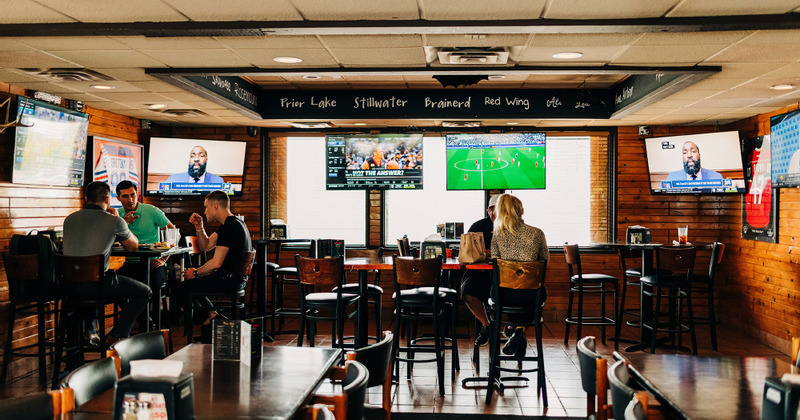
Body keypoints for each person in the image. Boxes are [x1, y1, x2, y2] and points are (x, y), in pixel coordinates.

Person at [62, 181, 152, 346]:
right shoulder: (114, 221)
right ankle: (116, 335)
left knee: (91, 281)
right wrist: (121, 222)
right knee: (144, 292)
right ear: (107, 199)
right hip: (97, 285)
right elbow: (133, 247)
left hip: (68, 285)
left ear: (86, 198)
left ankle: (89, 332)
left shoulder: (69, 219)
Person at [172, 190, 252, 343]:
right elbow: (206, 246)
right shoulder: (233, 223)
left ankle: (208, 321)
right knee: (192, 285)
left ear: (215, 206)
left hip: (228, 280)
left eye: (206, 207)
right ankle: (212, 316)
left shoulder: (229, 226)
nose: (204, 211)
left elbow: (216, 263)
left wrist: (196, 272)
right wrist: (199, 227)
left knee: (178, 289)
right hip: (236, 279)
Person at [490, 193, 549, 356]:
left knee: (507, 290)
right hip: (532, 295)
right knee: (533, 292)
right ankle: (518, 331)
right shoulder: (537, 233)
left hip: (503, 295)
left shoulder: (498, 234)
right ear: (522, 211)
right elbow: (545, 263)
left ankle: (514, 329)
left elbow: (495, 261)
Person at [115, 180, 175, 328]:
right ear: (118, 198)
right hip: (131, 263)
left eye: (133, 195)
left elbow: (173, 233)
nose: (130, 199)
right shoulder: (117, 215)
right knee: (113, 286)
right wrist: (125, 223)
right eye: (125, 196)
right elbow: (111, 239)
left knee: (150, 285)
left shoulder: (151, 211)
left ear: (137, 194)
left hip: (154, 264)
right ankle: (146, 322)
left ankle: (145, 323)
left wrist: (163, 259)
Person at [463, 194, 499, 347]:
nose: (497, 214)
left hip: (505, 275)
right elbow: (466, 250)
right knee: (468, 290)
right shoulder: (478, 226)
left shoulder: (511, 228)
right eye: (494, 210)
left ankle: (513, 330)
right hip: (480, 272)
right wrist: (482, 252)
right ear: (488, 210)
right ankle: (487, 325)